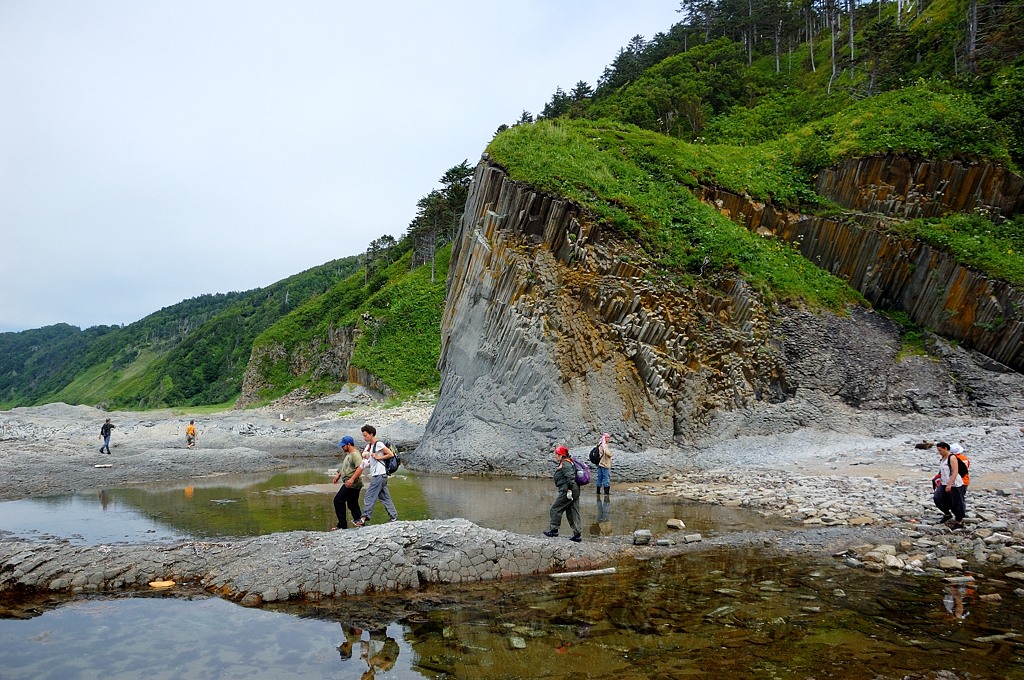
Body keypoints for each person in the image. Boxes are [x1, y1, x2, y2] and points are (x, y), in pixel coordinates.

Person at [350, 424, 398, 527]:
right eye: (363, 435)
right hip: (380, 475)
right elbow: (370, 461)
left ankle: (363, 519)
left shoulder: (378, 444)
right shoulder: (371, 446)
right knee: (385, 498)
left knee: (369, 496)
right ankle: (393, 517)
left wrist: (377, 457)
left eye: (365, 435)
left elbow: (390, 454)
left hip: (379, 475)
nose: (364, 438)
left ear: (371, 434)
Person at [543, 445, 582, 542]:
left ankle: (554, 530)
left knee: (555, 508)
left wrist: (569, 490)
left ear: (561, 455)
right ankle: (577, 534)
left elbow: (570, 478)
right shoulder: (568, 461)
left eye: (557, 454)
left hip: (569, 490)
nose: (555, 456)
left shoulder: (565, 464)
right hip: (575, 490)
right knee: (572, 511)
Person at [331, 435, 364, 530]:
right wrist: (338, 475)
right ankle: (359, 522)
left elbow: (360, 467)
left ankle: (342, 525)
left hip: (352, 484)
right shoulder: (349, 454)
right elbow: (346, 468)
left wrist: (352, 479)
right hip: (350, 483)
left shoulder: (355, 454)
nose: (342, 447)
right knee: (352, 504)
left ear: (349, 444)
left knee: (338, 500)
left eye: (343, 445)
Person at [933, 441, 966, 529]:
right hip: (943, 482)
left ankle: (959, 521)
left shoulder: (952, 457)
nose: (939, 452)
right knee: (937, 498)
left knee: (956, 502)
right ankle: (947, 514)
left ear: (945, 449)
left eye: (940, 450)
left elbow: (955, 472)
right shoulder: (943, 457)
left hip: (954, 484)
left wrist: (949, 484)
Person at [595, 432, 612, 496]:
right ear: (605, 438)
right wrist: (611, 453)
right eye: (608, 437)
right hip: (605, 464)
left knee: (599, 478)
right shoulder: (604, 445)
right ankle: (606, 493)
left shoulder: (599, 444)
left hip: (599, 464)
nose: (609, 439)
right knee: (606, 478)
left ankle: (598, 491)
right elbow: (608, 454)